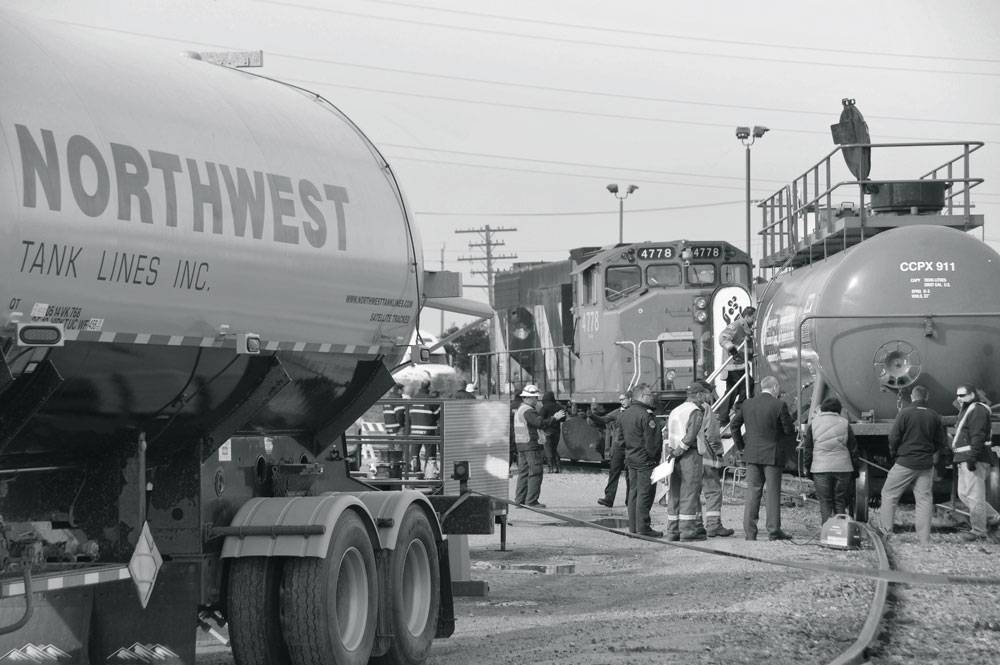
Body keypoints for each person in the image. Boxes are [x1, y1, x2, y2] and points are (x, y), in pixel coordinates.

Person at [730, 375, 795, 540]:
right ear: (774, 388)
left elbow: (734, 425)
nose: (779, 391)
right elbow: (788, 431)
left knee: (752, 492)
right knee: (773, 493)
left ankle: (750, 533)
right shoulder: (779, 405)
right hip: (773, 456)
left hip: (752, 454)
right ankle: (773, 531)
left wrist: (741, 447)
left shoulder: (748, 404)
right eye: (778, 388)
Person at [878, 386, 946, 544]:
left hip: (905, 462)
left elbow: (893, 437)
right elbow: (940, 441)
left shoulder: (905, 413)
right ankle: (924, 539)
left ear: (912, 397)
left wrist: (894, 453)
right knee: (924, 500)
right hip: (925, 465)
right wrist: (929, 452)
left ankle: (886, 532)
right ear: (926, 397)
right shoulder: (934, 415)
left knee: (889, 494)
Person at [950, 383, 999, 541]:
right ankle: (994, 518)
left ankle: (978, 531)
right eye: (957, 395)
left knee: (975, 496)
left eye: (963, 395)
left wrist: (972, 457)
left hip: (974, 458)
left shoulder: (978, 410)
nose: (959, 398)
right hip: (965, 458)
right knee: (964, 494)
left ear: (972, 394)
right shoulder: (969, 410)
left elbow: (977, 435)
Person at [801, 396, 859, 525]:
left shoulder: (814, 424)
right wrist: (855, 470)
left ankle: (827, 534)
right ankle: (841, 534)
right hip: (843, 469)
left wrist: (807, 469)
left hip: (820, 469)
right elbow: (853, 449)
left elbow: (808, 450)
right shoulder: (844, 423)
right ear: (838, 410)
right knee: (840, 501)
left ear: (822, 409)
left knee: (825, 501)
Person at [663, 385, 707, 541]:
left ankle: (672, 531)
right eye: (705, 395)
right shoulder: (695, 412)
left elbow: (667, 432)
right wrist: (680, 450)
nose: (706, 398)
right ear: (699, 395)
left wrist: (671, 451)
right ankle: (687, 531)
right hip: (690, 456)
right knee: (689, 493)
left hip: (674, 457)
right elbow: (690, 435)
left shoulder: (676, 410)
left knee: (674, 492)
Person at [621, 383, 663, 537]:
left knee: (633, 493)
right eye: (650, 394)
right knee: (645, 494)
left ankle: (633, 526)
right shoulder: (647, 415)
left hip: (631, 459)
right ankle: (644, 527)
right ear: (642, 396)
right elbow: (651, 441)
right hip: (646, 461)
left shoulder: (625, 413)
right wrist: (654, 458)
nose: (652, 397)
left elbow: (620, 439)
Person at [512, 384, 565, 508]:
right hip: (531, 445)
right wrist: (554, 418)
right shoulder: (528, 411)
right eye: (535, 397)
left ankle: (519, 501)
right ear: (528, 398)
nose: (537, 400)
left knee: (523, 473)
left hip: (521, 445)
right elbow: (539, 423)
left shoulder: (520, 409)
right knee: (536, 472)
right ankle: (531, 501)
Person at [695, 380, 735, 537]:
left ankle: (696, 524)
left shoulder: (682, 409)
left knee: (694, 492)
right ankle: (713, 525)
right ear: (703, 393)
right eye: (710, 392)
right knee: (713, 491)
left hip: (689, 459)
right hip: (706, 457)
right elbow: (711, 434)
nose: (711, 395)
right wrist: (719, 454)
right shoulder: (705, 409)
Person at [718, 306, 756, 424]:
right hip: (733, 365)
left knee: (735, 390)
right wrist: (731, 348)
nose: (754, 321)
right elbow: (723, 337)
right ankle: (735, 409)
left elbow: (748, 350)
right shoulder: (736, 326)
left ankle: (725, 416)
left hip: (741, 365)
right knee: (742, 387)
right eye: (753, 318)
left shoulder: (748, 329)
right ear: (747, 316)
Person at [593, 392, 631, 507]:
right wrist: (591, 416)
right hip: (618, 447)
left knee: (630, 475)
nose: (621, 402)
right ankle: (609, 498)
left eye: (623, 399)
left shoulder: (634, 412)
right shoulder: (617, 412)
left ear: (630, 399)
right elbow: (604, 419)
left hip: (630, 447)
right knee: (614, 472)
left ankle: (630, 500)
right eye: (620, 400)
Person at [409, 379, 442, 477]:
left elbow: (408, 415)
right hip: (429, 431)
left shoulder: (412, 399)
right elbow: (438, 414)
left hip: (415, 431)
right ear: (429, 387)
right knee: (430, 454)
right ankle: (429, 474)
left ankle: (415, 472)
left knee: (414, 454)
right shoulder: (431, 400)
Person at [540, 391, 564, 474]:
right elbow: (563, 418)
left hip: (547, 431)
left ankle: (551, 468)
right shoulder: (559, 407)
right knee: (554, 449)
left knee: (548, 449)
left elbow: (540, 420)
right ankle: (558, 467)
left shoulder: (544, 407)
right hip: (557, 431)